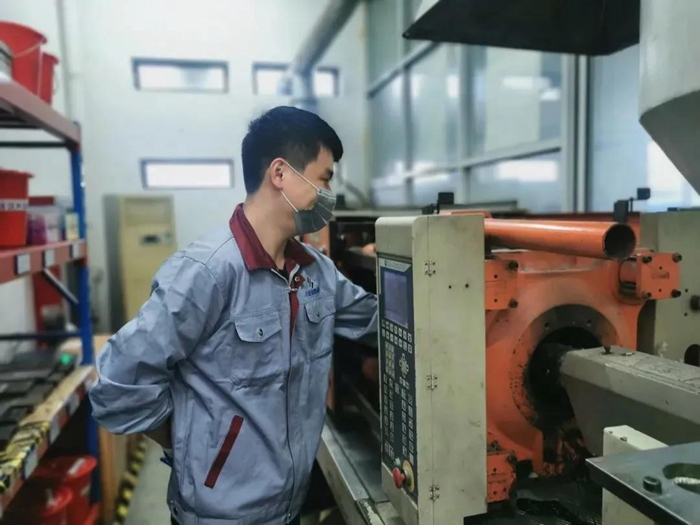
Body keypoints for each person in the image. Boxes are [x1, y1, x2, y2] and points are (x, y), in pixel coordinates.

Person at [89, 106, 378, 525]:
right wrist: (186, 445)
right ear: (280, 174)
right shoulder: (206, 272)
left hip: (288, 508)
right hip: (219, 517)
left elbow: (378, 321)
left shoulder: (316, 272)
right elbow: (118, 383)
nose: (329, 193)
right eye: (325, 177)